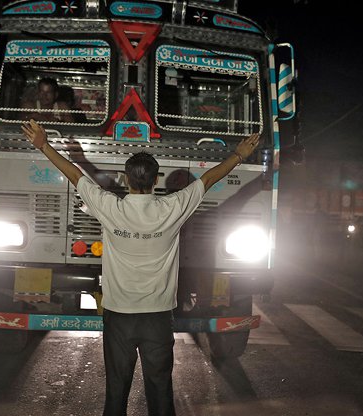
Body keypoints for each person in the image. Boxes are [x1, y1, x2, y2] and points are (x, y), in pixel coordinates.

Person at [21, 119, 260, 416]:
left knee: (116, 390)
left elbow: (75, 175)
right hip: (158, 318)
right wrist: (239, 155)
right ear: (156, 180)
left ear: (125, 179)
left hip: (119, 316)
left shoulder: (110, 207)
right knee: (160, 390)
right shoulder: (172, 208)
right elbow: (209, 179)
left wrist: (44, 145)